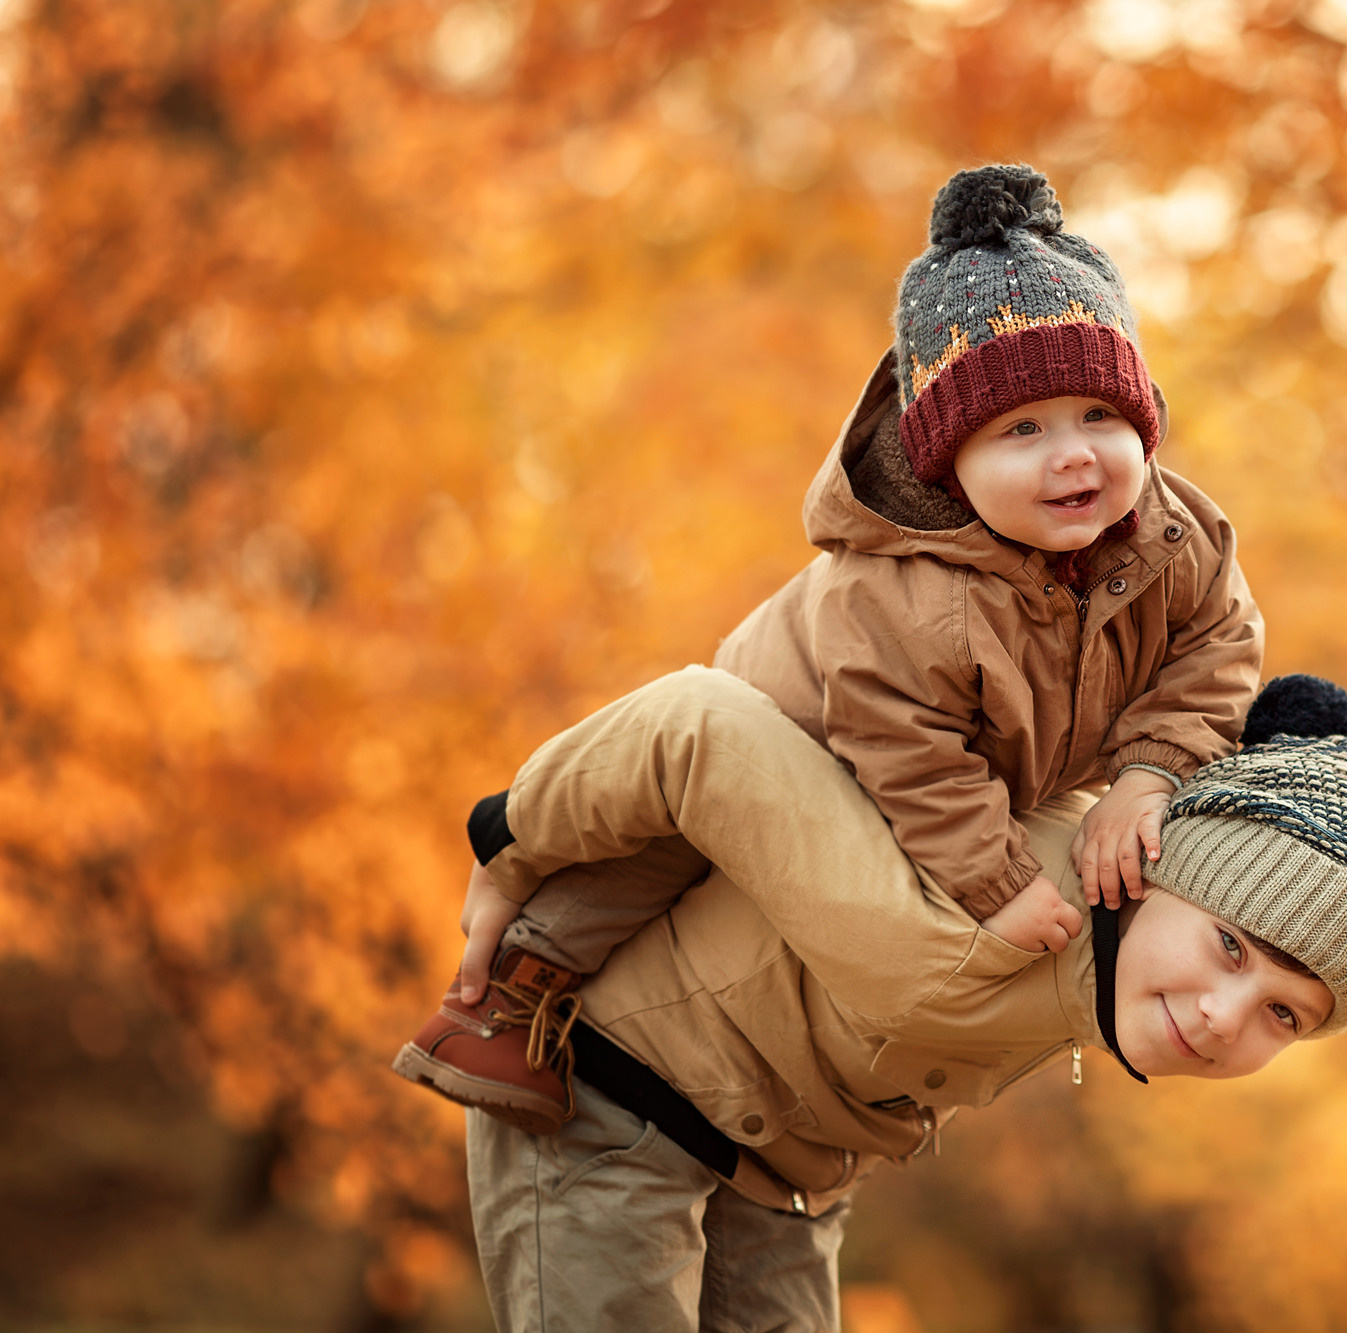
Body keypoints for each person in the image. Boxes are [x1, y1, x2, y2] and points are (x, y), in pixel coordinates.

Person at [394, 162, 1263, 1135]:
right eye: (1020, 429)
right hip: (800, 725)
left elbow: (1217, 650)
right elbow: (902, 744)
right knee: (658, 861)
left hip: (975, 759)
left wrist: (1149, 774)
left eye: (1100, 417)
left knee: (765, 922)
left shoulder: (1176, 537)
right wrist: (995, 880)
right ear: (949, 462)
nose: (1072, 454)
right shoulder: (904, 594)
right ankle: (502, 1001)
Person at [454, 667, 1347, 1332]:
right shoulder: (987, 895)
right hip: (612, 1098)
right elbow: (700, 723)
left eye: (1283, 1014)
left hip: (771, 1176)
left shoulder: (1106, 971)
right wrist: (514, 846)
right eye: (1229, 945)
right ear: (1155, 862)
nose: (1226, 1014)